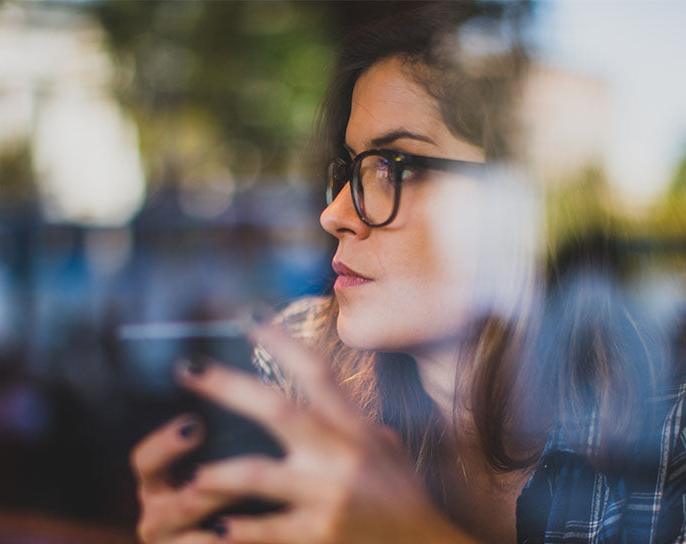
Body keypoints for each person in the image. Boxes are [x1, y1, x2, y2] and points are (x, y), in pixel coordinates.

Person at [129, 3, 686, 543]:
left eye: (396, 166)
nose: (335, 215)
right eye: (351, 169)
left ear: (520, 203)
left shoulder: (662, 429)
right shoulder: (297, 359)